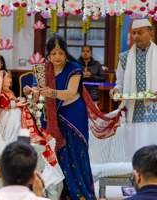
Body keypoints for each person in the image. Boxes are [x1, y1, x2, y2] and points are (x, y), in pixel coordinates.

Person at [24, 36, 119, 200]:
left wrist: (52, 93)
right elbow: (35, 95)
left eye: (61, 53)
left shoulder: (74, 68)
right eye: (53, 53)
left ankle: (79, 193)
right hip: (51, 115)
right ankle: (59, 192)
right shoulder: (42, 70)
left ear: (66, 52)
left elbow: (71, 91)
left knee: (75, 154)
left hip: (73, 115)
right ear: (48, 54)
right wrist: (30, 93)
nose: (57, 57)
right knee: (55, 153)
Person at [109, 18, 157, 157]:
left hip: (155, 113)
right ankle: (136, 178)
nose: (135, 36)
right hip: (133, 114)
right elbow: (120, 83)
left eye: (140, 33)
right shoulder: (124, 58)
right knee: (135, 154)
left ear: (151, 34)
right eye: (133, 33)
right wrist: (116, 90)